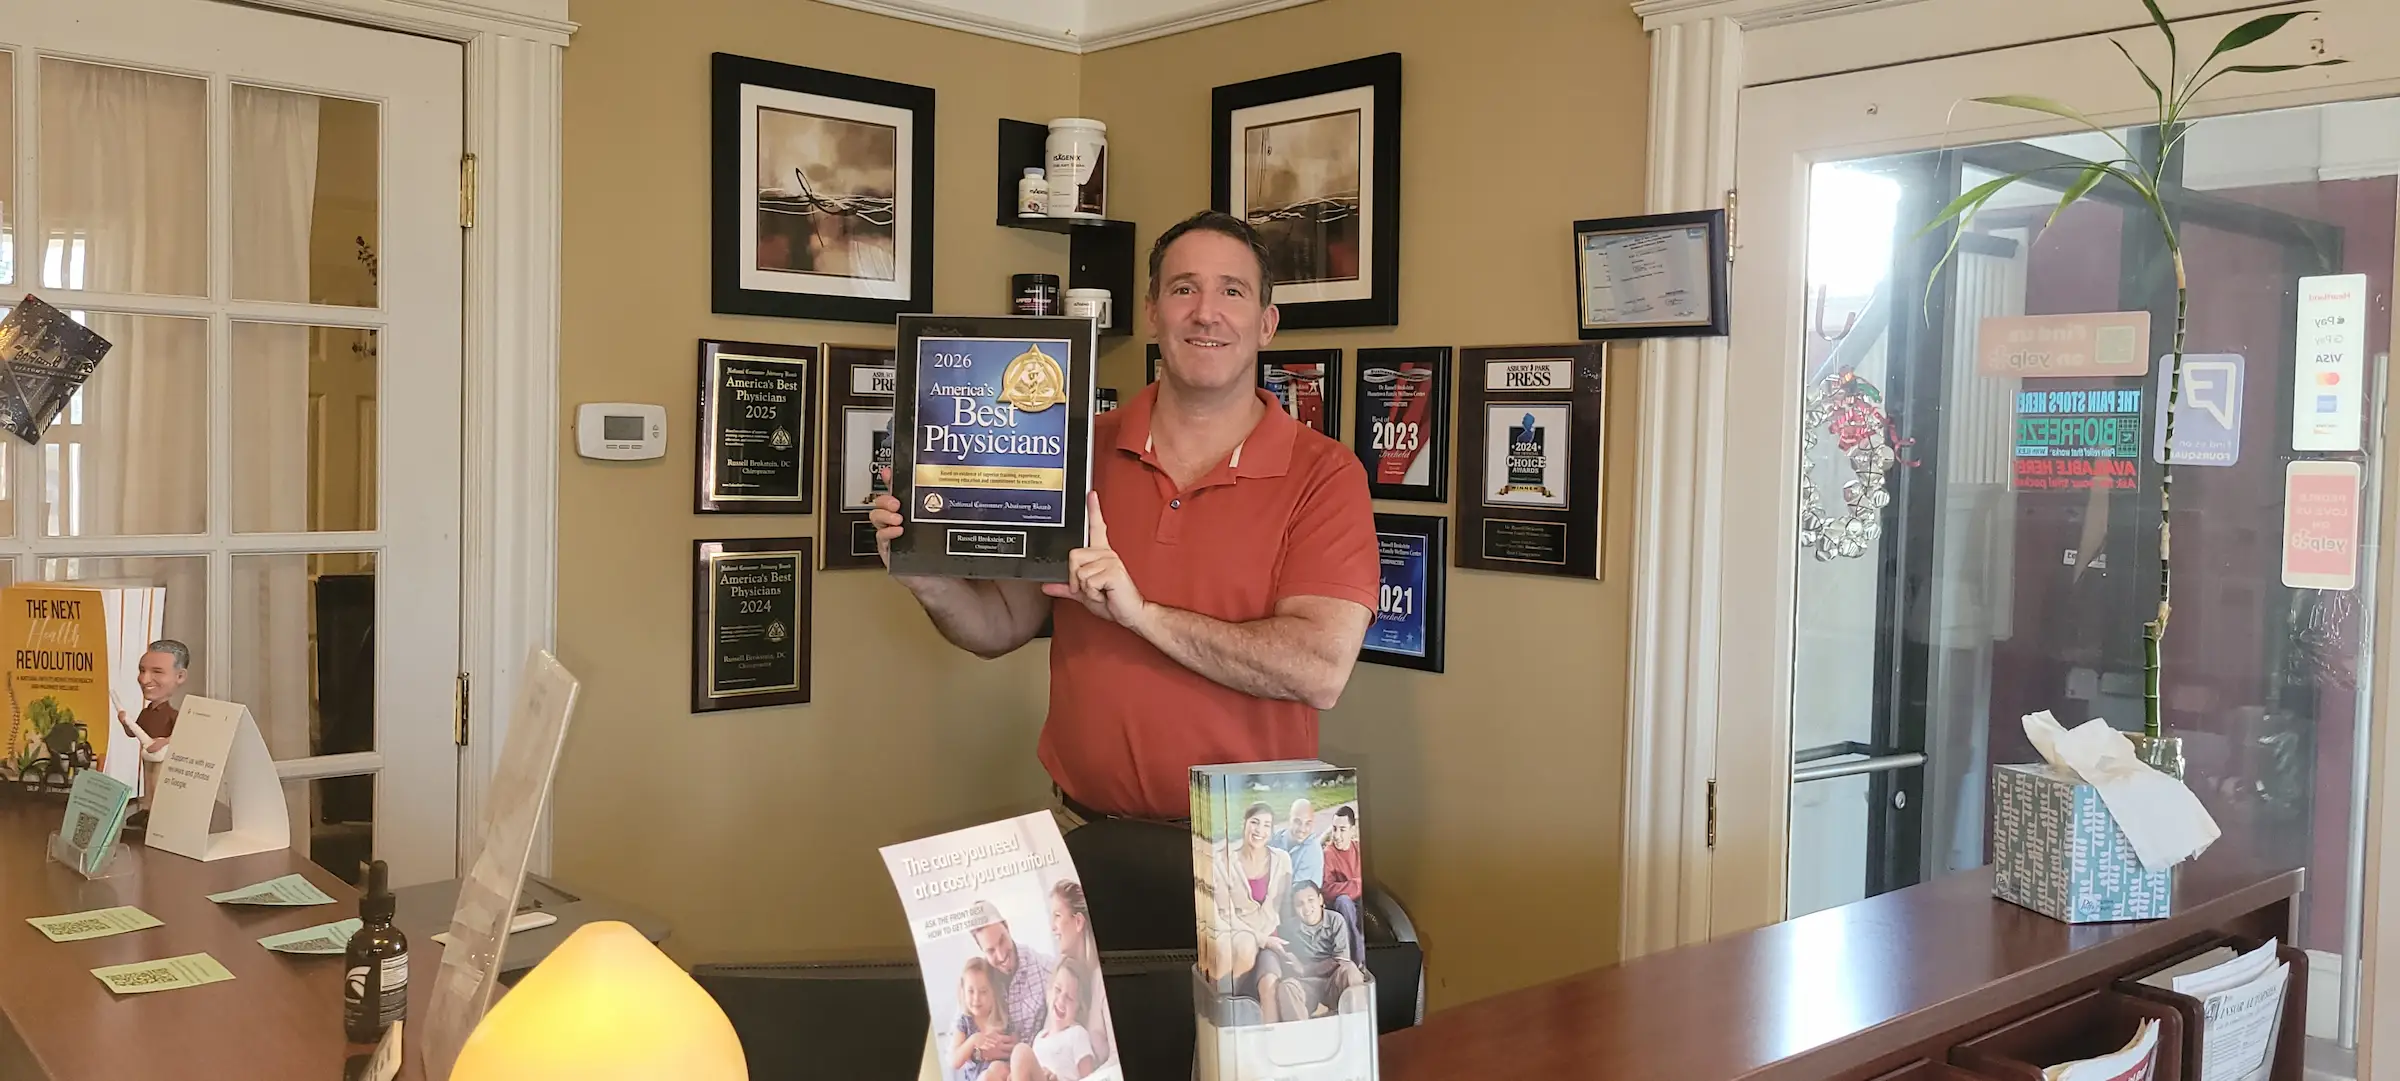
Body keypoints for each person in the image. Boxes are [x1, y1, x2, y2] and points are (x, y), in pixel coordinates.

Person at [870, 210, 1379, 947]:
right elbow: (1000, 625)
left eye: (1232, 291)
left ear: (1266, 322)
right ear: (1150, 313)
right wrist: (930, 578)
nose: (1206, 312)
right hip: (1083, 841)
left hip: (1253, 858)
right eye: (1183, 289)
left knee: (1236, 1067)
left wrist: (1142, 614)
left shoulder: (1324, 475)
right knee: (1091, 1057)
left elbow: (1318, 668)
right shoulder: (1079, 448)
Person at [1212, 801, 1297, 1021]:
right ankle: (1224, 1020)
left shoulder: (1282, 860)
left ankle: (1272, 1046)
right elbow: (1225, 915)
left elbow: (1287, 909)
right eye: (1255, 822)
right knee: (1243, 948)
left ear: (1272, 830)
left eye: (1266, 825)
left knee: (1270, 984)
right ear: (1245, 824)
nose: (1259, 830)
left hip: (1273, 937)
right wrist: (1262, 939)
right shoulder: (1223, 861)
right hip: (1238, 938)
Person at [112, 640, 190, 804]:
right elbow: (133, 733)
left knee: (158, 783)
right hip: (147, 756)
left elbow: (183, 738)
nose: (144, 679)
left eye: (157, 672)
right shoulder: (146, 712)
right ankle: (147, 808)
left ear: (180, 676)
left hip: (164, 759)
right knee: (147, 782)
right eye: (142, 670)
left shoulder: (173, 713)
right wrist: (126, 723)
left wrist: (163, 743)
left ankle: (157, 811)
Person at [1046, 881, 1111, 1066]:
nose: (1052, 927)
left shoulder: (1100, 981)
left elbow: (1117, 1059)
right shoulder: (1059, 977)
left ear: (1079, 922)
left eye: (1057, 916)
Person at [1281, 880, 1366, 1018]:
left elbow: (1340, 959)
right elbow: (1289, 963)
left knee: (1350, 970)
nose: (1306, 908)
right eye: (1300, 904)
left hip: (1333, 979)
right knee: (1287, 986)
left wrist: (1305, 969)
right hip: (1308, 983)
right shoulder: (1288, 929)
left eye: (1310, 900)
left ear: (1320, 899)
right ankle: (1300, 1033)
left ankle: (1356, 1023)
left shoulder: (1335, 920)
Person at [969, 913, 1056, 1043]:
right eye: (991, 950)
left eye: (1002, 940)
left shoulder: (1047, 968)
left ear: (1007, 927)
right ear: (982, 950)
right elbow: (953, 1047)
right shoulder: (977, 978)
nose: (1001, 955)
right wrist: (977, 1052)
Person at [1009, 960, 1097, 1081]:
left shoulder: (1077, 1034)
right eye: (1058, 989)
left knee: (1021, 1052)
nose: (1061, 1000)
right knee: (995, 1070)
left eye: (1069, 997)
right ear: (1049, 992)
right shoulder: (1039, 1038)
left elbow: (1090, 1078)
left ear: (1079, 1008)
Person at [947, 958, 1016, 1081]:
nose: (976, 998)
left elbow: (1016, 1049)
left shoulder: (1003, 1020)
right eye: (971, 991)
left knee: (997, 1067)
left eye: (983, 992)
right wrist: (973, 1041)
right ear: (963, 992)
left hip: (1002, 1075)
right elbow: (954, 1061)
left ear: (993, 993)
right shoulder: (965, 1022)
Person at [1319, 806, 1367, 965]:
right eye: (1334, 829)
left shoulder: (1359, 849)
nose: (1337, 835)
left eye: (1342, 829)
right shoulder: (1329, 854)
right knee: (1344, 901)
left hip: (1361, 902)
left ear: (1352, 830)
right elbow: (1327, 890)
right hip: (1340, 906)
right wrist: (1357, 884)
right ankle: (1356, 959)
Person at [1273, 797, 1324, 915]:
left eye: (1308, 824)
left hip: (1297, 910)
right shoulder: (1277, 838)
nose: (1302, 829)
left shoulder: (1313, 851)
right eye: (1297, 821)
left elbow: (1297, 894)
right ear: (1289, 818)